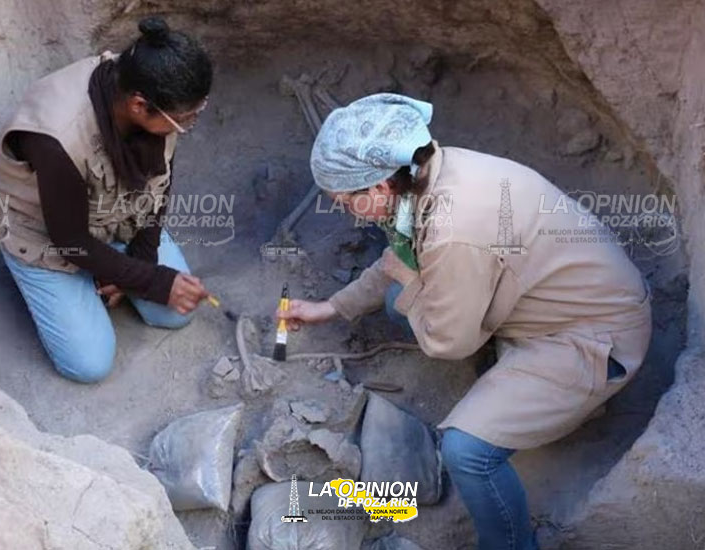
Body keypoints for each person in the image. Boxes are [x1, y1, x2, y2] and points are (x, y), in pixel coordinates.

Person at [276, 94, 651, 550]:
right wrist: (332, 307)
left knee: (466, 452)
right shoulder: (427, 173)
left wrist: (412, 283)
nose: (342, 211)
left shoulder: (454, 230)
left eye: (343, 202)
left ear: (376, 189)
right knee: (399, 296)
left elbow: (448, 342)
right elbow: (399, 257)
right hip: (552, 300)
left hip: (590, 338)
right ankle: (522, 389)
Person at [0, 15, 214, 383]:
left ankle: (108, 270)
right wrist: (151, 280)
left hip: (112, 213)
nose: (188, 125)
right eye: (185, 118)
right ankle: (31, 276)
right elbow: (70, 242)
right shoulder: (58, 138)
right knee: (90, 364)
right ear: (140, 105)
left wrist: (137, 265)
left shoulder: (149, 95)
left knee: (176, 313)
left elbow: (160, 185)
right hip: (46, 235)